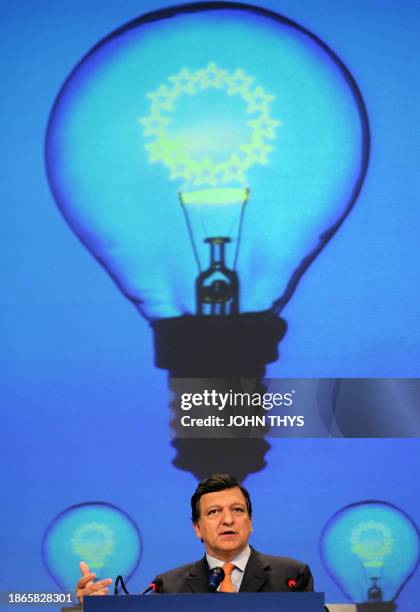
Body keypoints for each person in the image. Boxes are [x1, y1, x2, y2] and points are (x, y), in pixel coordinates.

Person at [76, 473, 313, 601]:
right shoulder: (167, 586)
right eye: (214, 512)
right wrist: (93, 609)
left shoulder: (291, 576)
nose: (228, 520)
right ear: (197, 528)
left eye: (238, 510)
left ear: (250, 523)